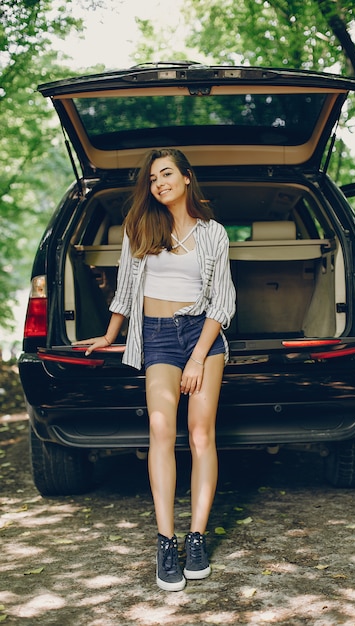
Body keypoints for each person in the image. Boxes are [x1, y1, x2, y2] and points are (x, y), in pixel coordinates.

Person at [74, 148, 236, 592]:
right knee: (161, 432)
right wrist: (110, 334)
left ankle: (196, 538)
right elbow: (126, 288)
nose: (159, 182)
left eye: (167, 173)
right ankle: (166, 541)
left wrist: (200, 355)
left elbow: (222, 301)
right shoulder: (139, 227)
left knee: (202, 435)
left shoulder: (213, 233)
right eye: (151, 178)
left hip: (203, 336)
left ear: (187, 178)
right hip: (159, 336)